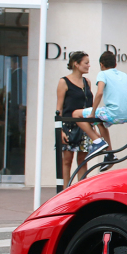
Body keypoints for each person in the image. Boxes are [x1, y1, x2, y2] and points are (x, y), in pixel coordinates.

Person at [73, 50, 127, 157]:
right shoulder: (124, 75)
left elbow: (99, 93)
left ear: (101, 64)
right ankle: (109, 154)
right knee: (100, 122)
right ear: (116, 64)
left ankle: (97, 141)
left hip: (111, 114)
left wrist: (93, 112)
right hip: (125, 116)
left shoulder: (102, 74)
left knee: (76, 114)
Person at [55, 51, 99, 185]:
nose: (89, 66)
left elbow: (90, 107)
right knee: (67, 160)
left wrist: (93, 126)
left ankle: (81, 192)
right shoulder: (64, 82)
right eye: (86, 63)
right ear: (76, 64)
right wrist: (60, 130)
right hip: (69, 126)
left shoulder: (87, 82)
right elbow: (59, 108)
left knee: (82, 161)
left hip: (85, 126)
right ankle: (65, 191)